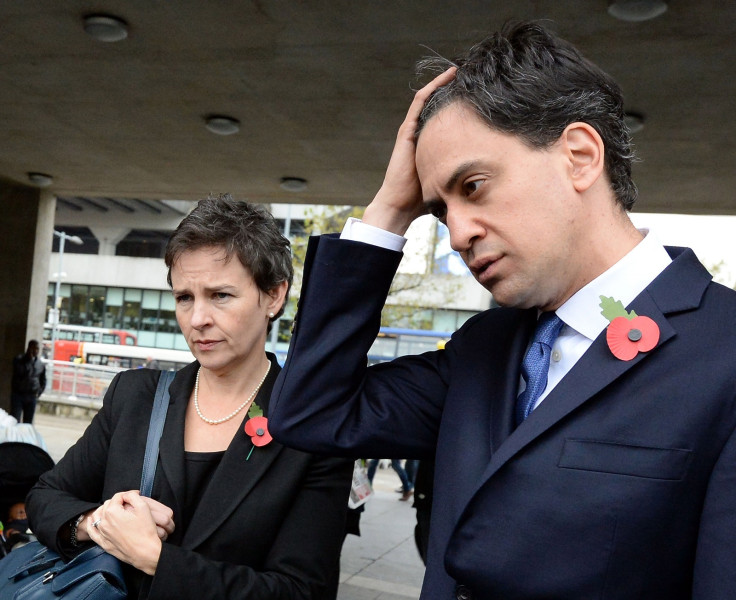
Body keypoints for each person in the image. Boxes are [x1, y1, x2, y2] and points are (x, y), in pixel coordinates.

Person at [268, 21, 736, 600]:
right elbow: (311, 413)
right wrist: (389, 209)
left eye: (474, 186)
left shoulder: (725, 350)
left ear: (580, 157)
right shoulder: (484, 347)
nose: (458, 233)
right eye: (439, 211)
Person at [27, 195, 353, 599]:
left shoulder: (315, 429)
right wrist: (97, 520)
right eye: (185, 297)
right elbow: (45, 497)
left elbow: (303, 591)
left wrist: (156, 560)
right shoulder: (135, 397)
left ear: (274, 295)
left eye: (220, 295)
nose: (197, 319)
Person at [10, 340, 46, 424]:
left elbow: (43, 380)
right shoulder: (19, 360)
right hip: (18, 395)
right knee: (15, 420)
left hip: (32, 396)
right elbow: (20, 372)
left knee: (28, 422)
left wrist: (39, 392)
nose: (35, 351)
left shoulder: (40, 364)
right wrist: (29, 360)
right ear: (28, 348)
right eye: (33, 348)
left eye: (37, 348)